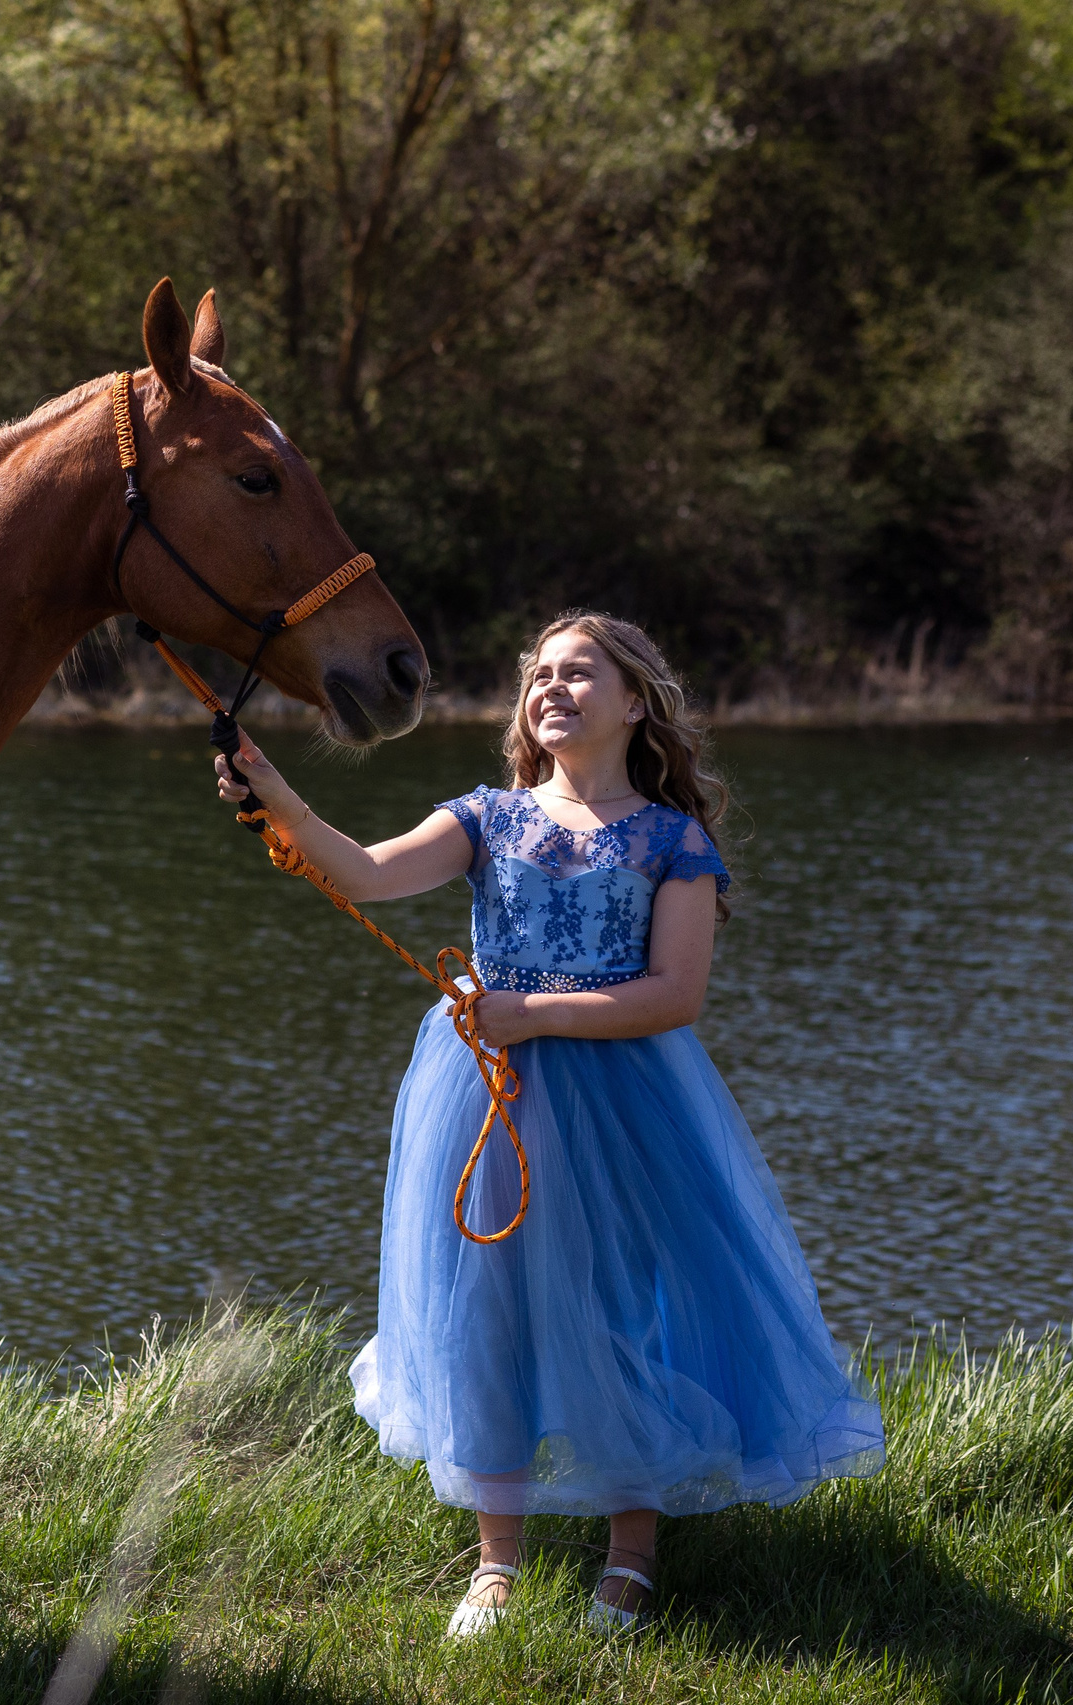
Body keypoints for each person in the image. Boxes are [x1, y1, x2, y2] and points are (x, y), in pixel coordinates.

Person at [215, 611, 883, 1636]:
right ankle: (496, 1561)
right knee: (486, 1307)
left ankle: (630, 1554)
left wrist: (530, 1011)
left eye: (580, 673)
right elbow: (369, 872)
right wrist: (279, 797)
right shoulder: (486, 817)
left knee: (622, 1307)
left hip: (627, 1098)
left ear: (635, 703)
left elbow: (673, 995)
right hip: (488, 1092)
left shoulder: (672, 840)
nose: (552, 688)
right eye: (540, 675)